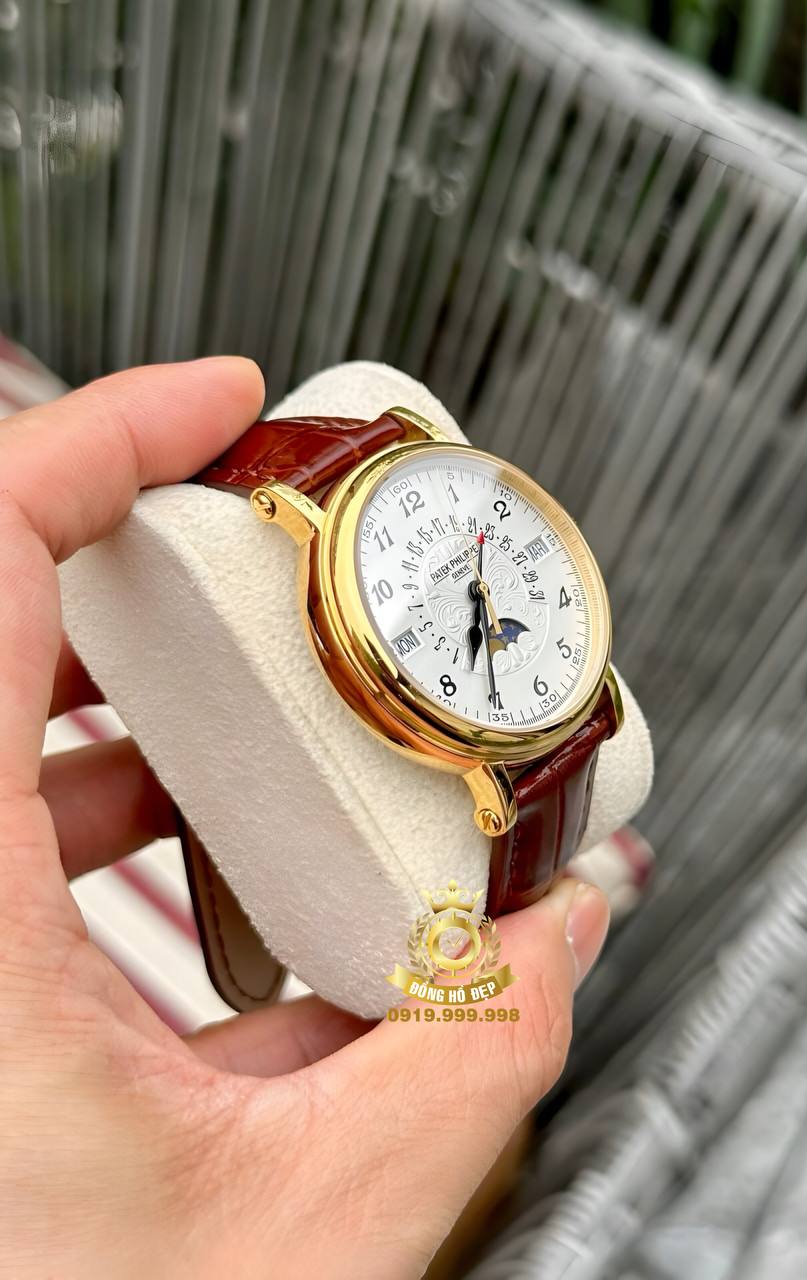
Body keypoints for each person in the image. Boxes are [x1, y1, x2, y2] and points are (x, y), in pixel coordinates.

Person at [0, 358, 610, 1277]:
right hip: (459, 716)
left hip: (518, 716)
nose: (478, 594)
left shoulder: (424, 489)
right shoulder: (308, 541)